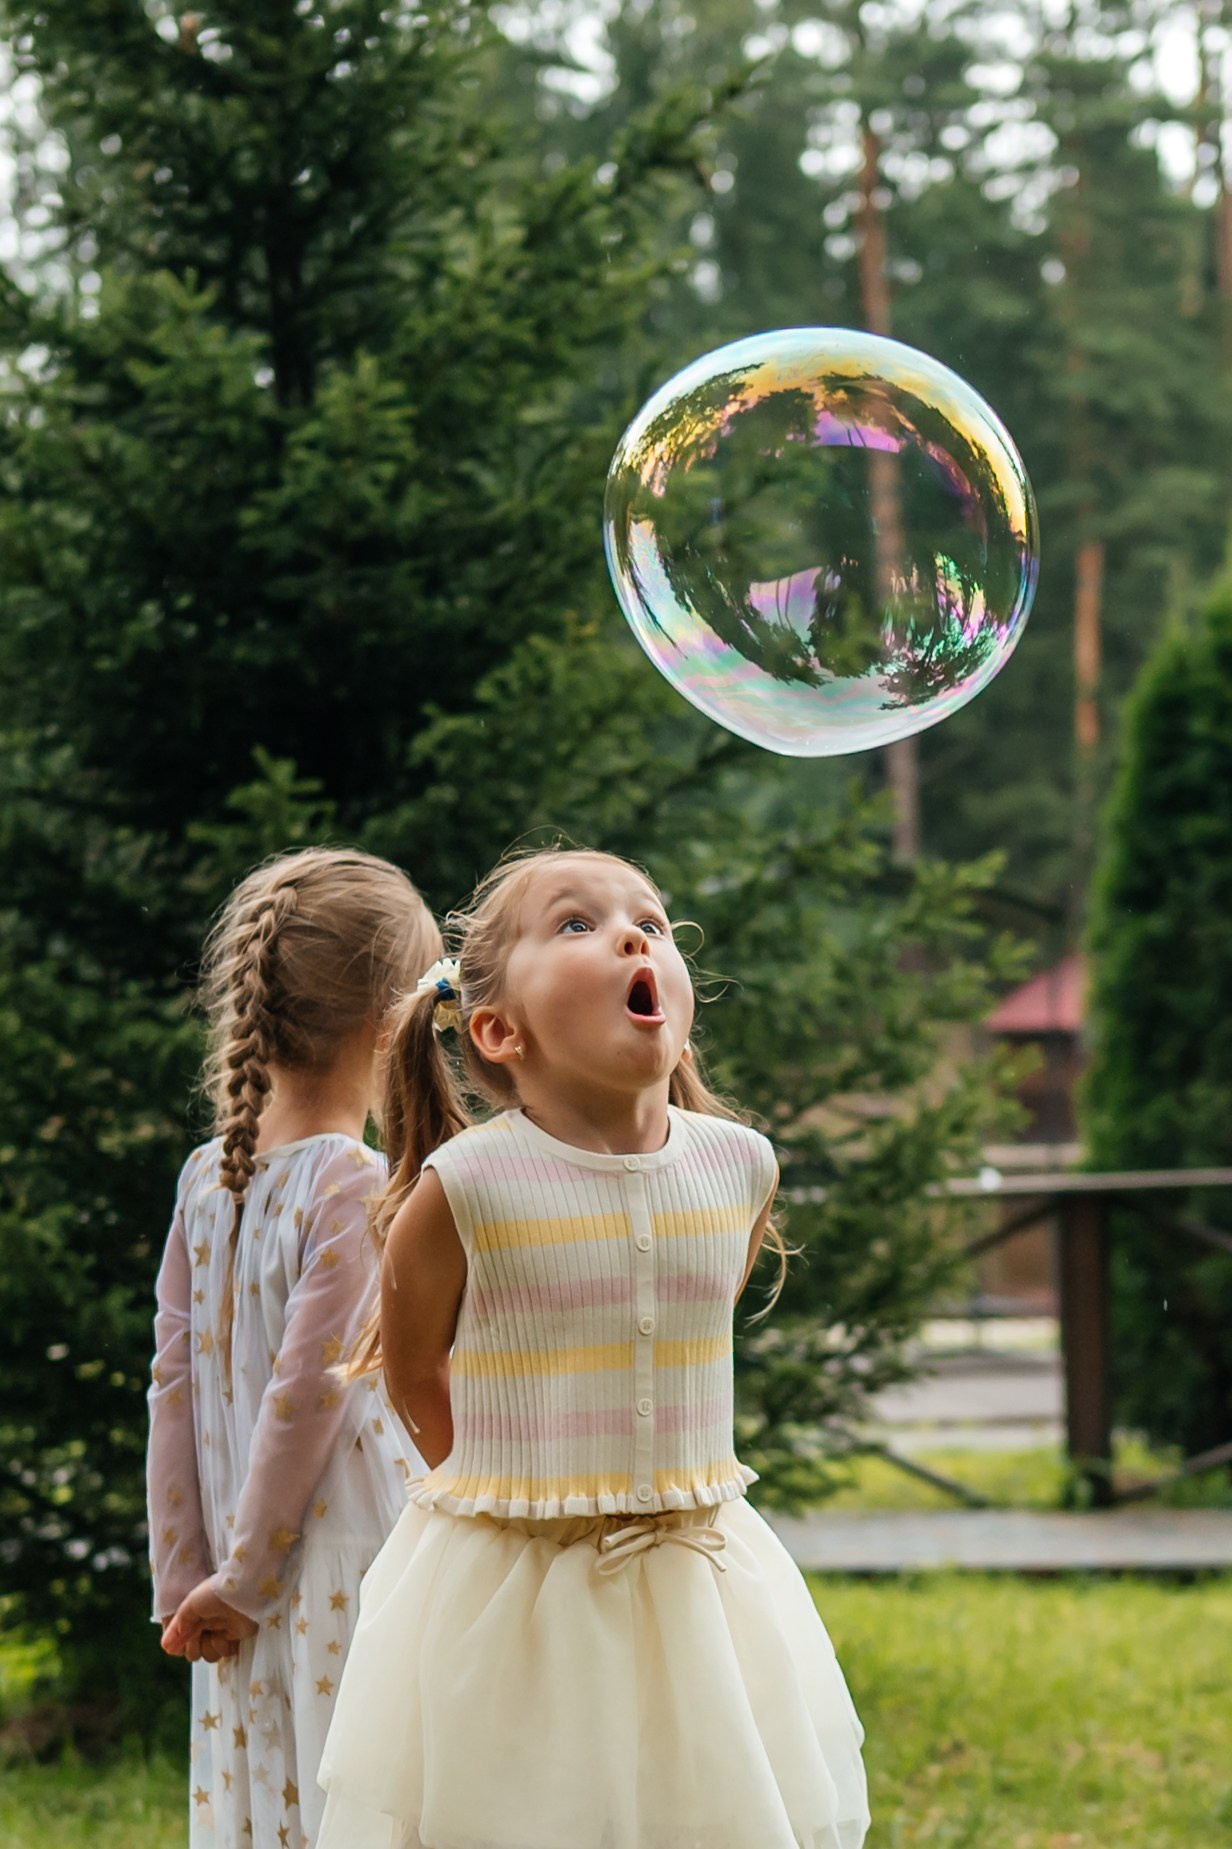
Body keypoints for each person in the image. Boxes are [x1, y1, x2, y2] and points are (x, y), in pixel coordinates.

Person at [317, 845, 870, 1849]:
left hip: (698, 1584)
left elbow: (681, 1316)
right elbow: (413, 1367)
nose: (631, 937)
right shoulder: (465, 1189)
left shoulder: (740, 1167)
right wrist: (509, 1494)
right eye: (577, 923)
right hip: (519, 1590)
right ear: (498, 1029)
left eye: (650, 922)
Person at [147, 846, 439, 1849]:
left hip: (244, 1577)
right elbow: (310, 1393)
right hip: (341, 1568)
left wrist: (189, 1579)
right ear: (391, 1023)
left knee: (274, 1815)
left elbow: (171, 1389)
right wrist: (241, 1582)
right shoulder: (351, 1180)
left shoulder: (205, 1178)